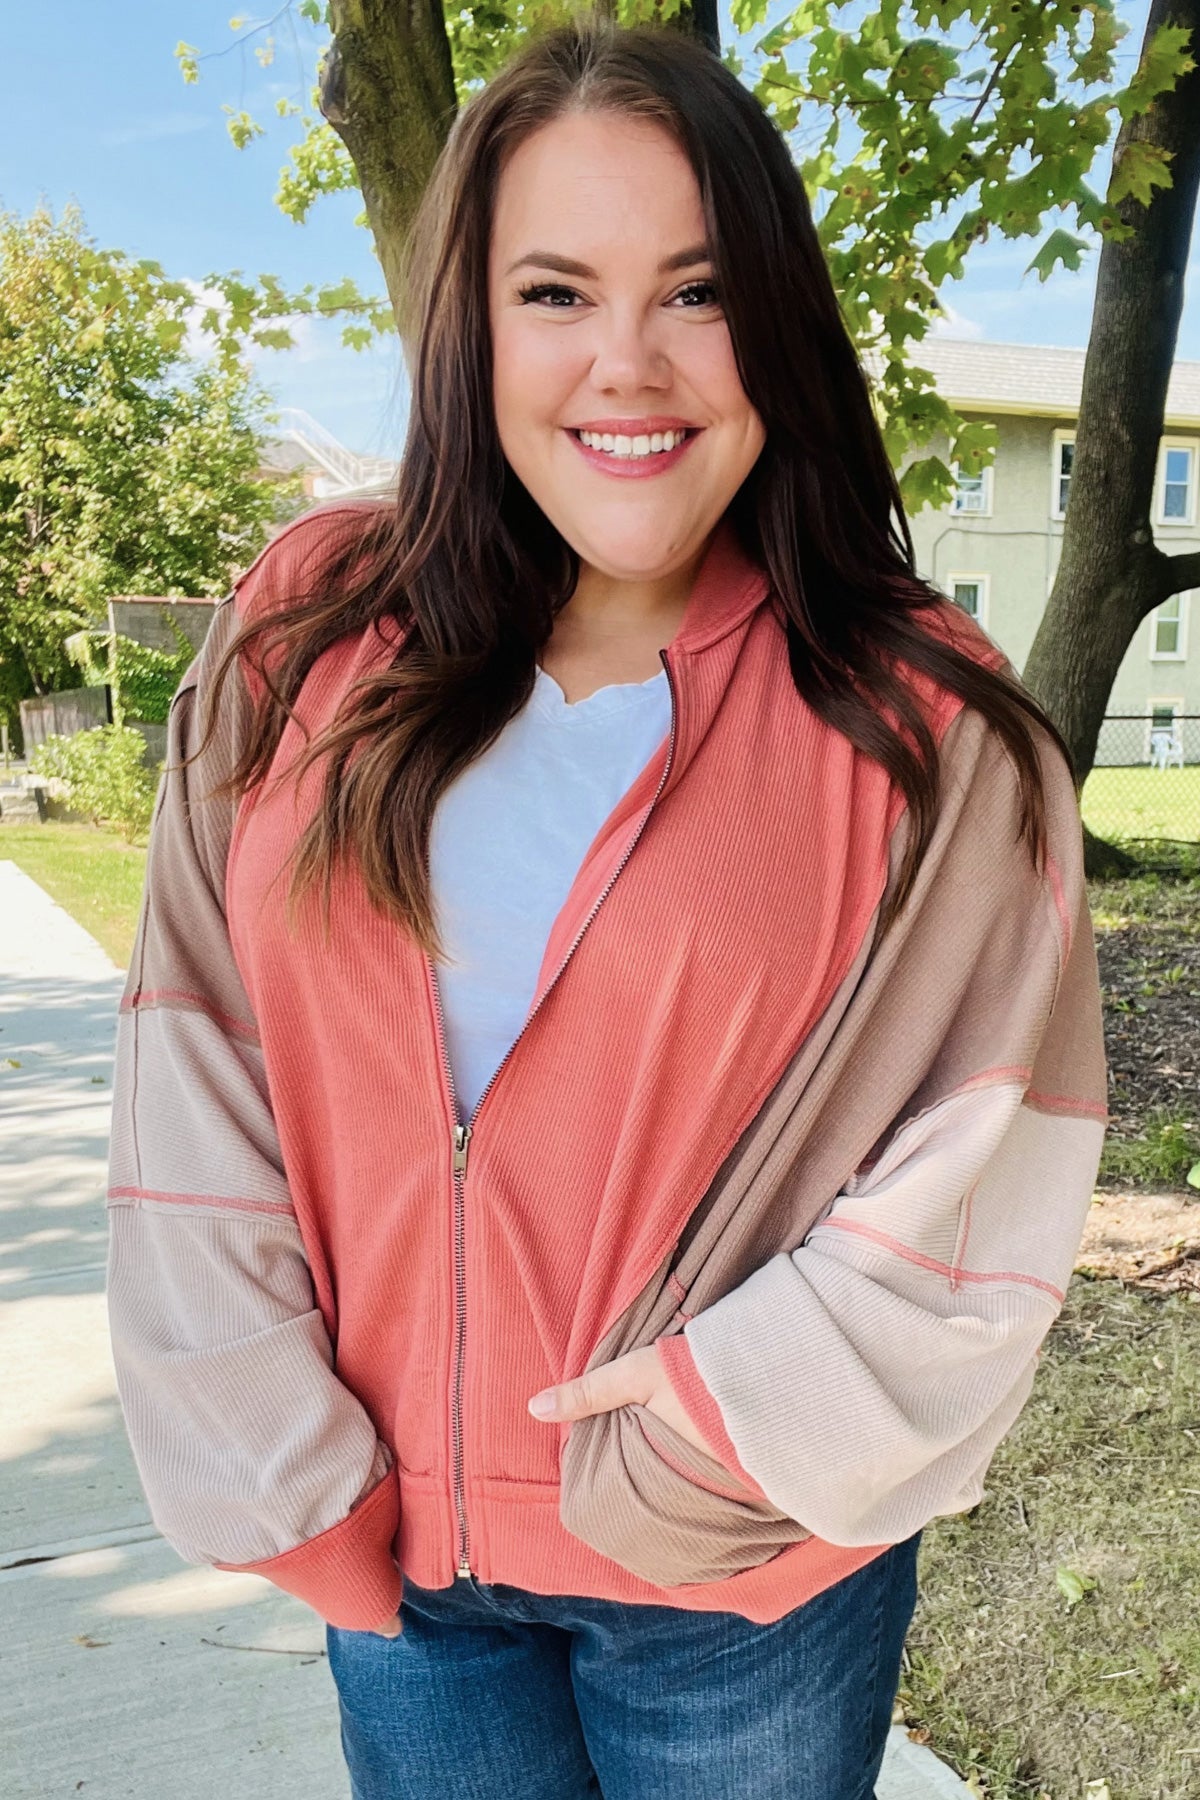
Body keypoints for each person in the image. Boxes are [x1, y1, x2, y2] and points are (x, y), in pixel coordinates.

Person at [104, 18, 1109, 1800]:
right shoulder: (307, 634)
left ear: (777, 322)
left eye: (697, 292)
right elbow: (194, 1047)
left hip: (736, 1564)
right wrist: (275, 1438)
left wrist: (725, 1421)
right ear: (472, 326)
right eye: (555, 292)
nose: (627, 364)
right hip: (400, 1548)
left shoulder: (922, 720)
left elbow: (994, 1150)